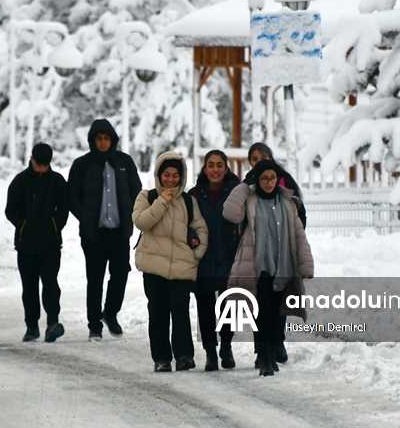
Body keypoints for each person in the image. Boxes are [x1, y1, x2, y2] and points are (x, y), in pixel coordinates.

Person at [223, 159, 314, 377]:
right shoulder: (250, 199)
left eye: (272, 178)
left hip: (283, 266)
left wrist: (306, 264)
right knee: (262, 313)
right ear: (257, 179)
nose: (269, 182)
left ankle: (271, 353)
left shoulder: (288, 202)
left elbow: (299, 236)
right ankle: (264, 357)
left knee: (276, 314)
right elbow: (230, 213)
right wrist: (245, 185)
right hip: (257, 268)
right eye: (264, 178)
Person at [133, 151, 208, 372]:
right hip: (153, 267)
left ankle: (184, 355)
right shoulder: (146, 197)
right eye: (167, 175)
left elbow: (201, 229)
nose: (171, 180)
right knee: (157, 312)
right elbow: (141, 222)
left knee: (180, 310)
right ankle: (161, 358)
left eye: (176, 175)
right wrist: (161, 202)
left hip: (181, 268)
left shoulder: (188, 201)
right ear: (159, 174)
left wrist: (196, 255)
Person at [68, 119, 142, 341]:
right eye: (98, 139)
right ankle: (94, 326)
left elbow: (136, 191)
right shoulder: (82, 165)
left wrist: (131, 216)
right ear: (92, 141)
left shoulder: (124, 162)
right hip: (94, 233)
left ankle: (110, 313)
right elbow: (72, 196)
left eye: (106, 138)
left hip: (119, 232)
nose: (102, 142)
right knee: (95, 279)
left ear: (113, 140)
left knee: (121, 274)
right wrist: (86, 216)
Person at [5, 143, 69, 343]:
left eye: (45, 164)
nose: (42, 167)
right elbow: (10, 210)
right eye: (39, 163)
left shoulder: (57, 181)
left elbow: (64, 209)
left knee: (51, 285)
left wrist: (55, 226)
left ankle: (52, 323)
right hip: (26, 246)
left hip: (50, 245)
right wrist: (24, 226)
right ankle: (31, 326)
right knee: (29, 287)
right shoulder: (20, 182)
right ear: (31, 159)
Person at [189, 150, 241, 371]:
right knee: (206, 310)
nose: (215, 169)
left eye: (220, 165)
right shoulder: (195, 194)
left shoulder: (236, 193)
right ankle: (210, 352)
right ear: (205, 168)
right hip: (203, 261)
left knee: (229, 307)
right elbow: (186, 223)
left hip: (229, 259)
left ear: (226, 169)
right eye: (211, 165)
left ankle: (226, 347)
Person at [244, 142, 307, 228]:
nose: (259, 162)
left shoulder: (283, 180)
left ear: (270, 158)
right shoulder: (247, 184)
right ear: (250, 162)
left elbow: (299, 211)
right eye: (255, 159)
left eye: (263, 158)